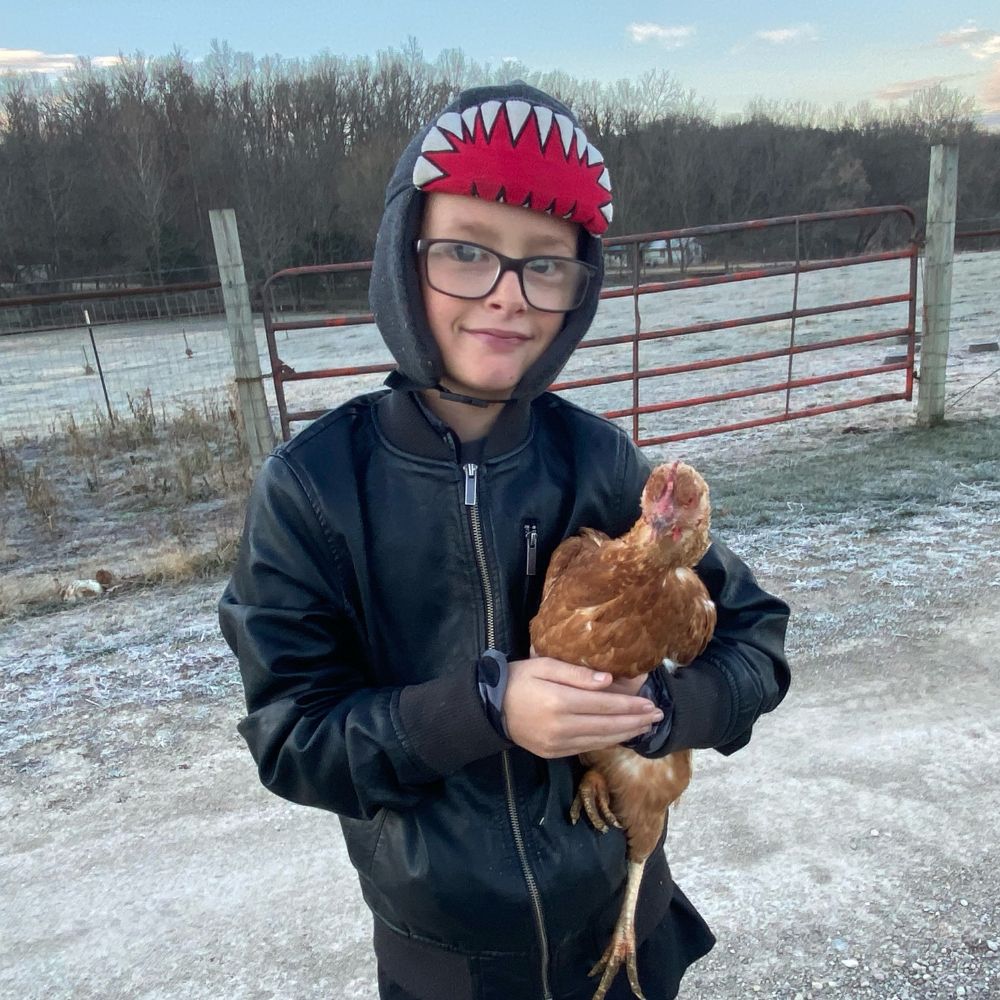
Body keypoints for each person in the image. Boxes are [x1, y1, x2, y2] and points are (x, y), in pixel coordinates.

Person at [219, 81, 790, 1000]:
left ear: (582, 284)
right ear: (405, 261)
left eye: (545, 264)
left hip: (626, 926)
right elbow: (292, 738)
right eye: (465, 253)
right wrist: (481, 712)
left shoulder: (600, 462)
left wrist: (668, 711)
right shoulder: (314, 489)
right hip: (448, 967)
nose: (507, 297)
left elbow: (755, 637)